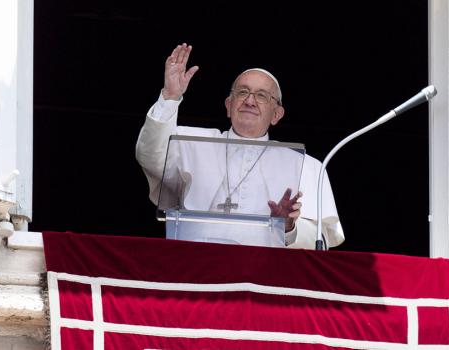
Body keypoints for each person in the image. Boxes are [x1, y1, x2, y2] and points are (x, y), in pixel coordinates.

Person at [136, 43, 344, 249]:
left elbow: (320, 243)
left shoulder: (305, 165)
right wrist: (170, 97)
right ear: (228, 106)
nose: (250, 101)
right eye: (243, 92)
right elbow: (150, 156)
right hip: (195, 266)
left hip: (263, 274)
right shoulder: (190, 142)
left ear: (276, 115)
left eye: (262, 95)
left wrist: (288, 227)